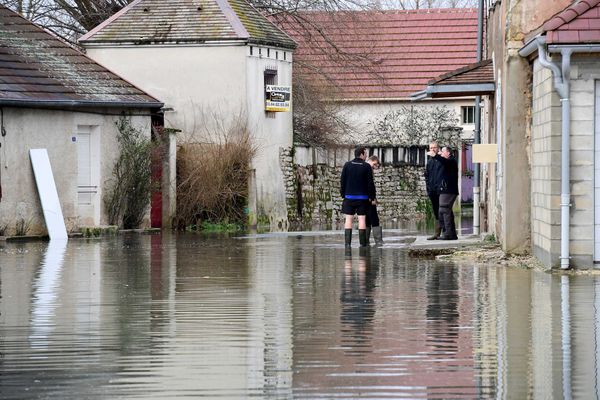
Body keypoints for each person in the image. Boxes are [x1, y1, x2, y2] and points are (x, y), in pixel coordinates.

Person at [340, 146, 376, 247]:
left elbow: (343, 181)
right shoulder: (366, 166)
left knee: (348, 219)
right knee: (362, 219)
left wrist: (343, 194)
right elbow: (370, 184)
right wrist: (371, 197)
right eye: (365, 154)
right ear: (361, 154)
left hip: (349, 197)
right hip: (363, 198)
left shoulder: (347, 165)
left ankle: (347, 244)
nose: (366, 156)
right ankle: (363, 244)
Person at [427, 145, 459, 240]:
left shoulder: (451, 161)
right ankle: (452, 234)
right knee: (445, 210)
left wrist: (436, 155)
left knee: (444, 209)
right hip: (444, 190)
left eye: (443, 151)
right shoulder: (444, 162)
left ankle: (448, 233)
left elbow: (444, 161)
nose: (441, 153)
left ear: (448, 153)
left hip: (449, 190)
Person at [424, 141, 444, 240]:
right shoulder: (429, 162)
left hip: (441, 190)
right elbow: (426, 176)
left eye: (434, 148)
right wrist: (428, 189)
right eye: (431, 148)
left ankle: (446, 232)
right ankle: (437, 233)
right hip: (432, 191)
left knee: (443, 210)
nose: (432, 150)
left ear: (438, 148)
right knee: (436, 211)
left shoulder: (441, 160)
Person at [365, 155, 383, 245]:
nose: (375, 168)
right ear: (372, 161)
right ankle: (378, 241)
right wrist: (372, 198)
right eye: (375, 165)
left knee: (367, 220)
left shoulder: (364, 167)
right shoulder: (368, 168)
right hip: (368, 199)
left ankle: (365, 242)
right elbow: (370, 185)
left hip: (364, 198)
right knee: (375, 219)